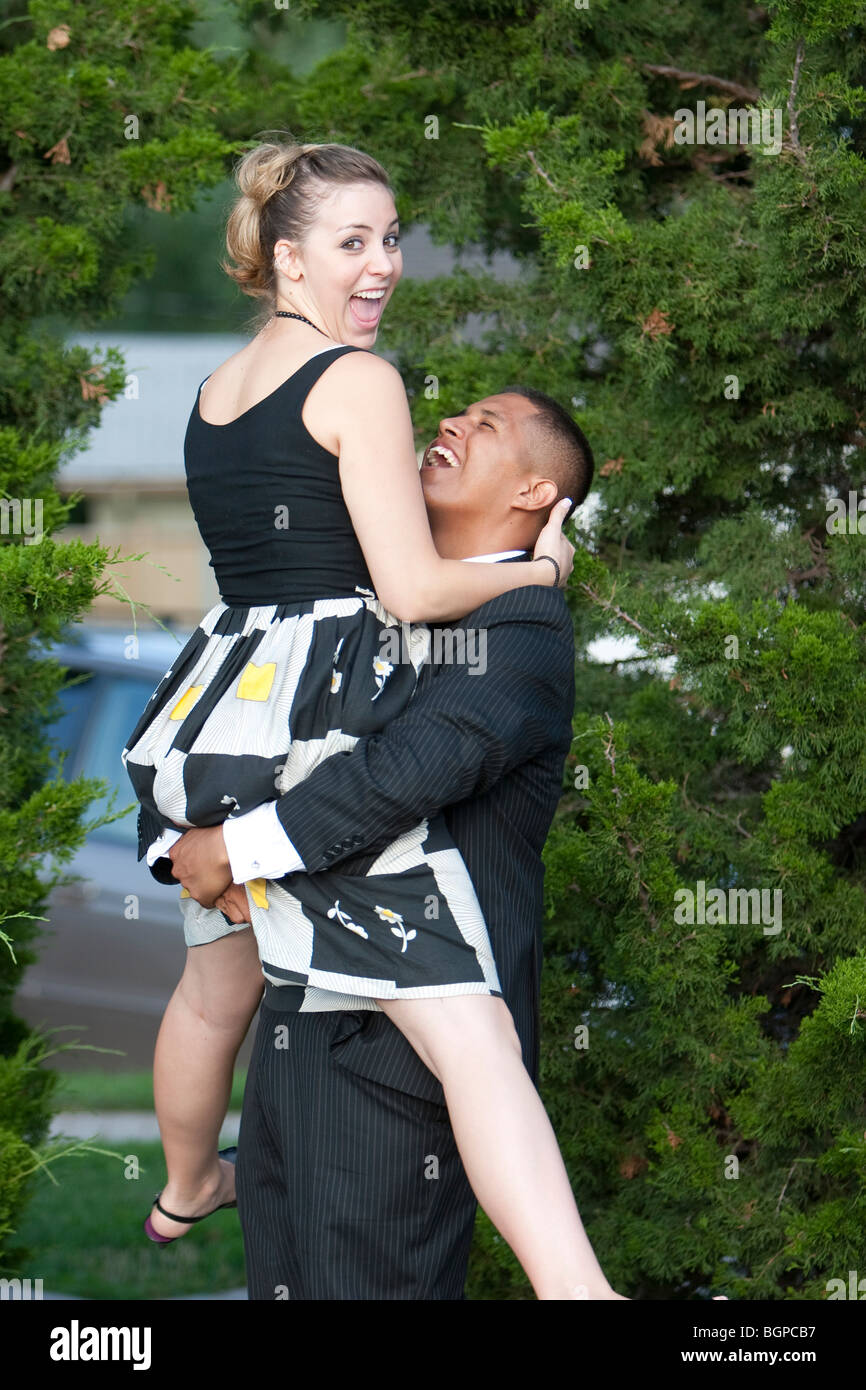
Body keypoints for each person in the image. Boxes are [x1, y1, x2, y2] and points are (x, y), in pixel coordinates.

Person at [122, 137, 620, 1300]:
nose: (383, 264)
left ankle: (186, 1179)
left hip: (218, 712)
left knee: (211, 991)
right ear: (287, 259)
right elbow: (405, 592)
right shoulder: (358, 378)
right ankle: (576, 1290)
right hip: (317, 707)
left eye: (392, 237)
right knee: (470, 1034)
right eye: (353, 242)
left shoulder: (214, 389)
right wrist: (534, 576)